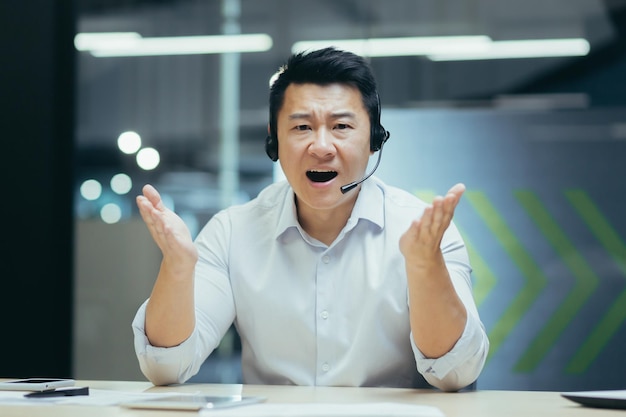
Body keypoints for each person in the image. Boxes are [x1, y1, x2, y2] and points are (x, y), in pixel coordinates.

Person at [132, 47, 489, 391]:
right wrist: (177, 269)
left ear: (374, 139)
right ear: (274, 141)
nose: (321, 146)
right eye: (302, 127)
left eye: (341, 127)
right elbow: (166, 366)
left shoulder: (422, 232)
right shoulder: (232, 232)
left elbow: (457, 373)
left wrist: (426, 267)